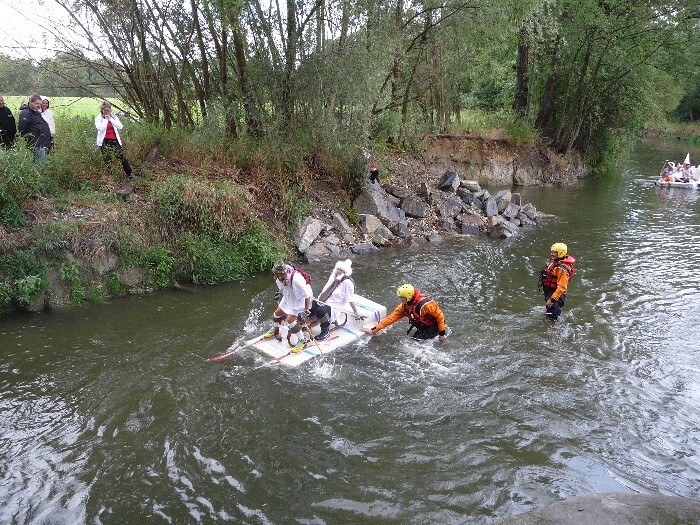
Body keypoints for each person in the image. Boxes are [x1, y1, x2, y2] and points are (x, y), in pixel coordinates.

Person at [361, 284, 447, 341]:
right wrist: (373, 330)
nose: (400, 299)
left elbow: (440, 316)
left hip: (434, 327)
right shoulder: (403, 307)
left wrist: (441, 334)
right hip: (423, 328)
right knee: (413, 340)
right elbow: (391, 319)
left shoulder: (426, 305)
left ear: (408, 297)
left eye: (402, 297)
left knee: (414, 341)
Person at [309, 259, 362, 340]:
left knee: (321, 311)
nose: (338, 271)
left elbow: (350, 299)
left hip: (334, 306)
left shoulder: (347, 282)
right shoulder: (333, 276)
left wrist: (356, 312)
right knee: (309, 304)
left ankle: (325, 330)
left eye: (341, 270)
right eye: (338, 269)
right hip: (322, 300)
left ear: (345, 272)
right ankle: (309, 320)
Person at [264, 261, 314, 348]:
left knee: (290, 320)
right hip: (289, 295)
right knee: (277, 314)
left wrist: (306, 311)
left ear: (283, 273)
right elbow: (283, 287)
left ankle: (302, 341)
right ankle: (275, 329)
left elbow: (307, 296)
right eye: (274, 274)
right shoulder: (279, 277)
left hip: (300, 299)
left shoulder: (296, 279)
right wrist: (280, 293)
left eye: (277, 275)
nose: (275, 276)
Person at [95, 100, 133, 178]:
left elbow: (120, 127)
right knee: (107, 159)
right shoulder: (98, 118)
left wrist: (110, 119)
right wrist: (105, 120)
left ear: (110, 110)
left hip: (115, 140)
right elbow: (100, 128)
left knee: (121, 157)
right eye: (105, 110)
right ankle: (111, 176)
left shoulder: (114, 117)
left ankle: (130, 174)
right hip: (104, 141)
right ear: (102, 110)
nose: (106, 112)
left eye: (108, 110)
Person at [539, 242, 576, 322]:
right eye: (551, 252)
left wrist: (552, 300)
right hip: (551, 293)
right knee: (549, 315)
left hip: (556, 296)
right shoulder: (555, 261)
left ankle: (549, 332)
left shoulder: (562, 269)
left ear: (560, 253)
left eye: (554, 252)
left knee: (551, 319)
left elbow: (562, 287)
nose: (552, 254)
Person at [18, 94, 51, 163]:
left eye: (40, 104)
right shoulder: (26, 113)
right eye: (37, 103)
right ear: (30, 102)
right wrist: (31, 139)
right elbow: (22, 129)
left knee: (42, 164)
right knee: (40, 165)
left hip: (43, 143)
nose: (39, 106)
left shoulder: (36, 112)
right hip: (37, 144)